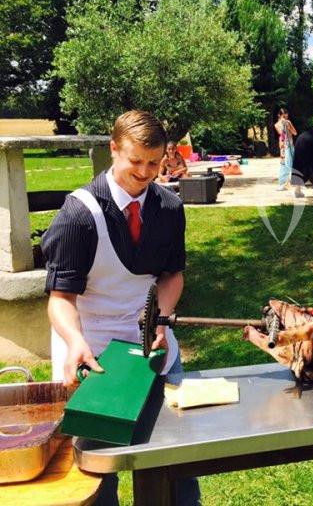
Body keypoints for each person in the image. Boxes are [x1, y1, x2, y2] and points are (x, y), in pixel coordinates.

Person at [42, 110, 200, 506]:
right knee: (96, 474)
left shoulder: (168, 208)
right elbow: (61, 299)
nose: (145, 172)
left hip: (153, 347)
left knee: (174, 461)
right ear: (113, 149)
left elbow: (171, 276)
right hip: (92, 351)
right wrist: (74, 341)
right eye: (135, 161)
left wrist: (160, 318)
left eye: (154, 162)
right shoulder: (79, 215)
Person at [274, 108, 297, 191]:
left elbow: (295, 132)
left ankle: (299, 180)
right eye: (283, 115)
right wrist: (284, 126)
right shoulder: (277, 125)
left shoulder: (288, 122)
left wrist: (289, 126)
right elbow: (282, 135)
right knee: (284, 164)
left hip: (290, 145)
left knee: (293, 163)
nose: (285, 116)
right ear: (279, 115)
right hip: (284, 146)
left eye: (286, 114)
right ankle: (283, 184)